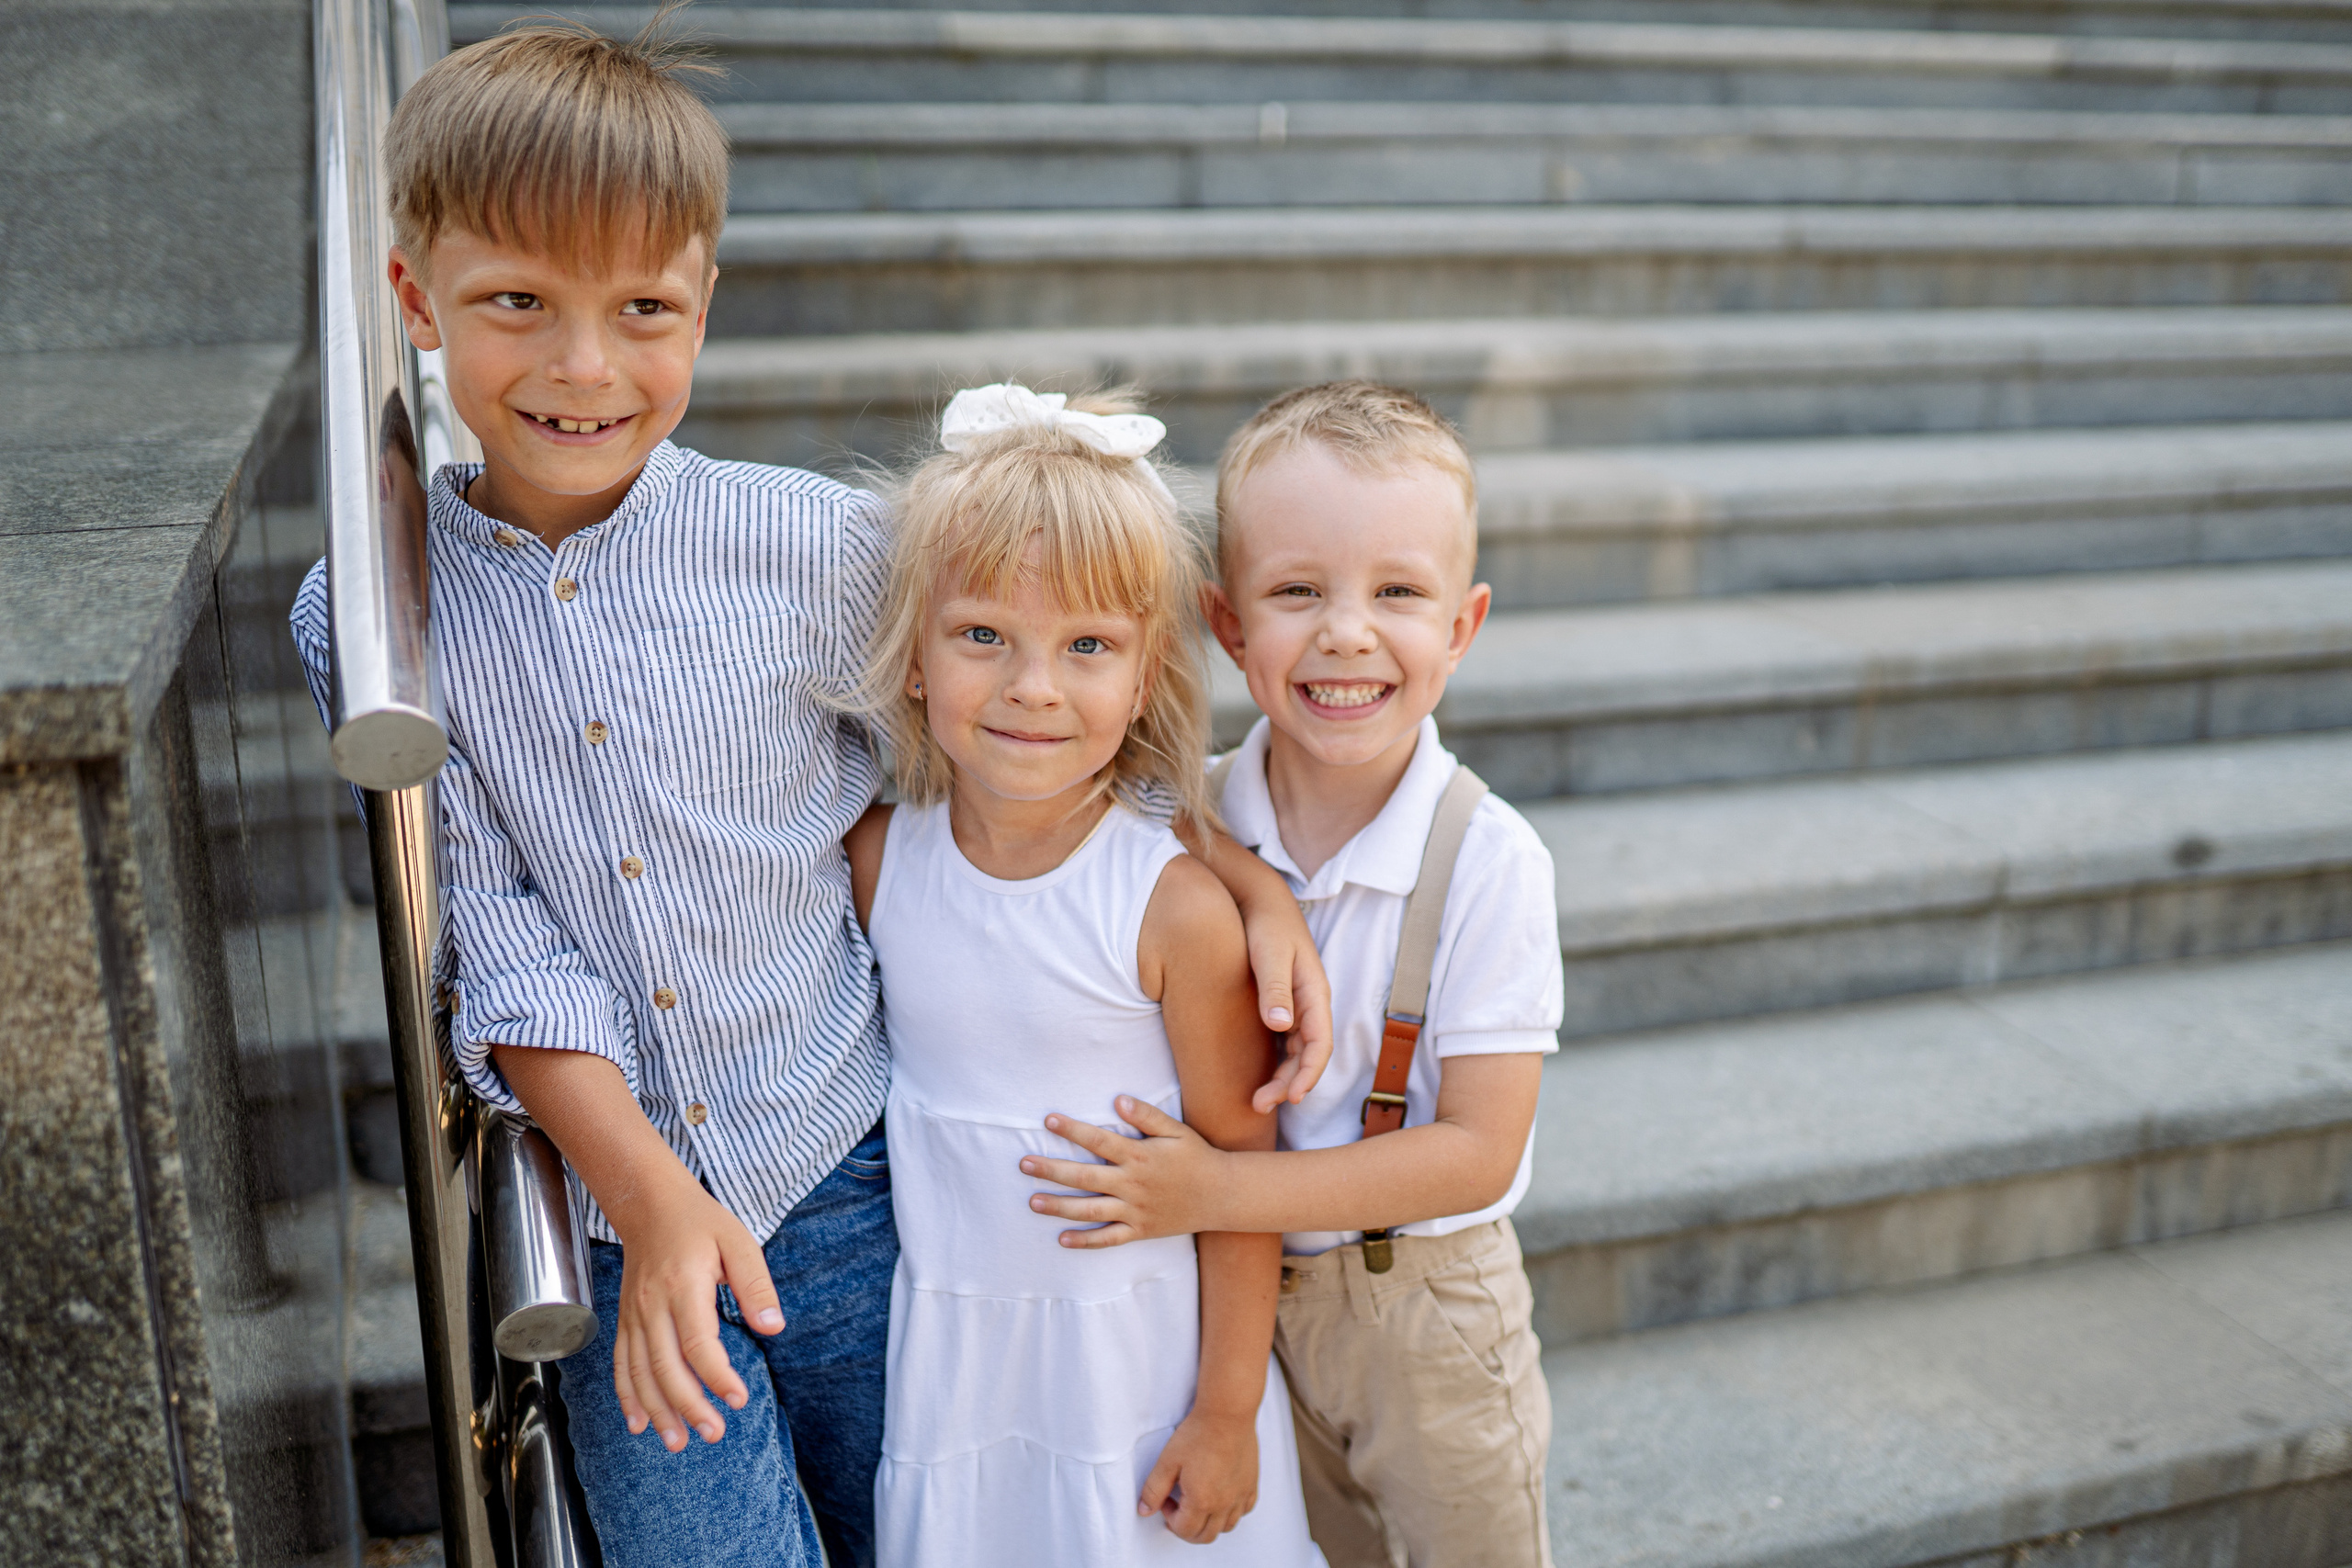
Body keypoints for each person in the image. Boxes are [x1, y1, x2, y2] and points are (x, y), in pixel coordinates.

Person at [287, 24, 1331, 1564]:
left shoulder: (820, 549)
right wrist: (645, 1199)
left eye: (642, 309)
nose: (584, 367)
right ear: (415, 299)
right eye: (518, 303)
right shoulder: (370, 618)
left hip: (851, 1174)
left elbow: (1024, 742)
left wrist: (1240, 882)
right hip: (616, 1202)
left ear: (703, 305)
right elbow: (492, 936)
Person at [1021, 382, 1563, 1567]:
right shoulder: (1190, 815)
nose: (1347, 632)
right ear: (1226, 623)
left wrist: (1215, 1195)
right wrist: (1248, 877)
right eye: (1298, 591)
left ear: (1463, 627)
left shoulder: (1486, 858)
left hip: (1429, 1312)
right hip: (1243, 1308)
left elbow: (1478, 1150)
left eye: (1399, 593)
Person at [841, 384, 1326, 1566]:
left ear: (1145, 669)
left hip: (1142, 1372)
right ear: (913, 654)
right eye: (982, 635)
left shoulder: (1170, 907)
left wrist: (1222, 1413)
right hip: (960, 1371)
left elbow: (1239, 1170)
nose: (1033, 686)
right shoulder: (875, 860)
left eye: (1087, 646)